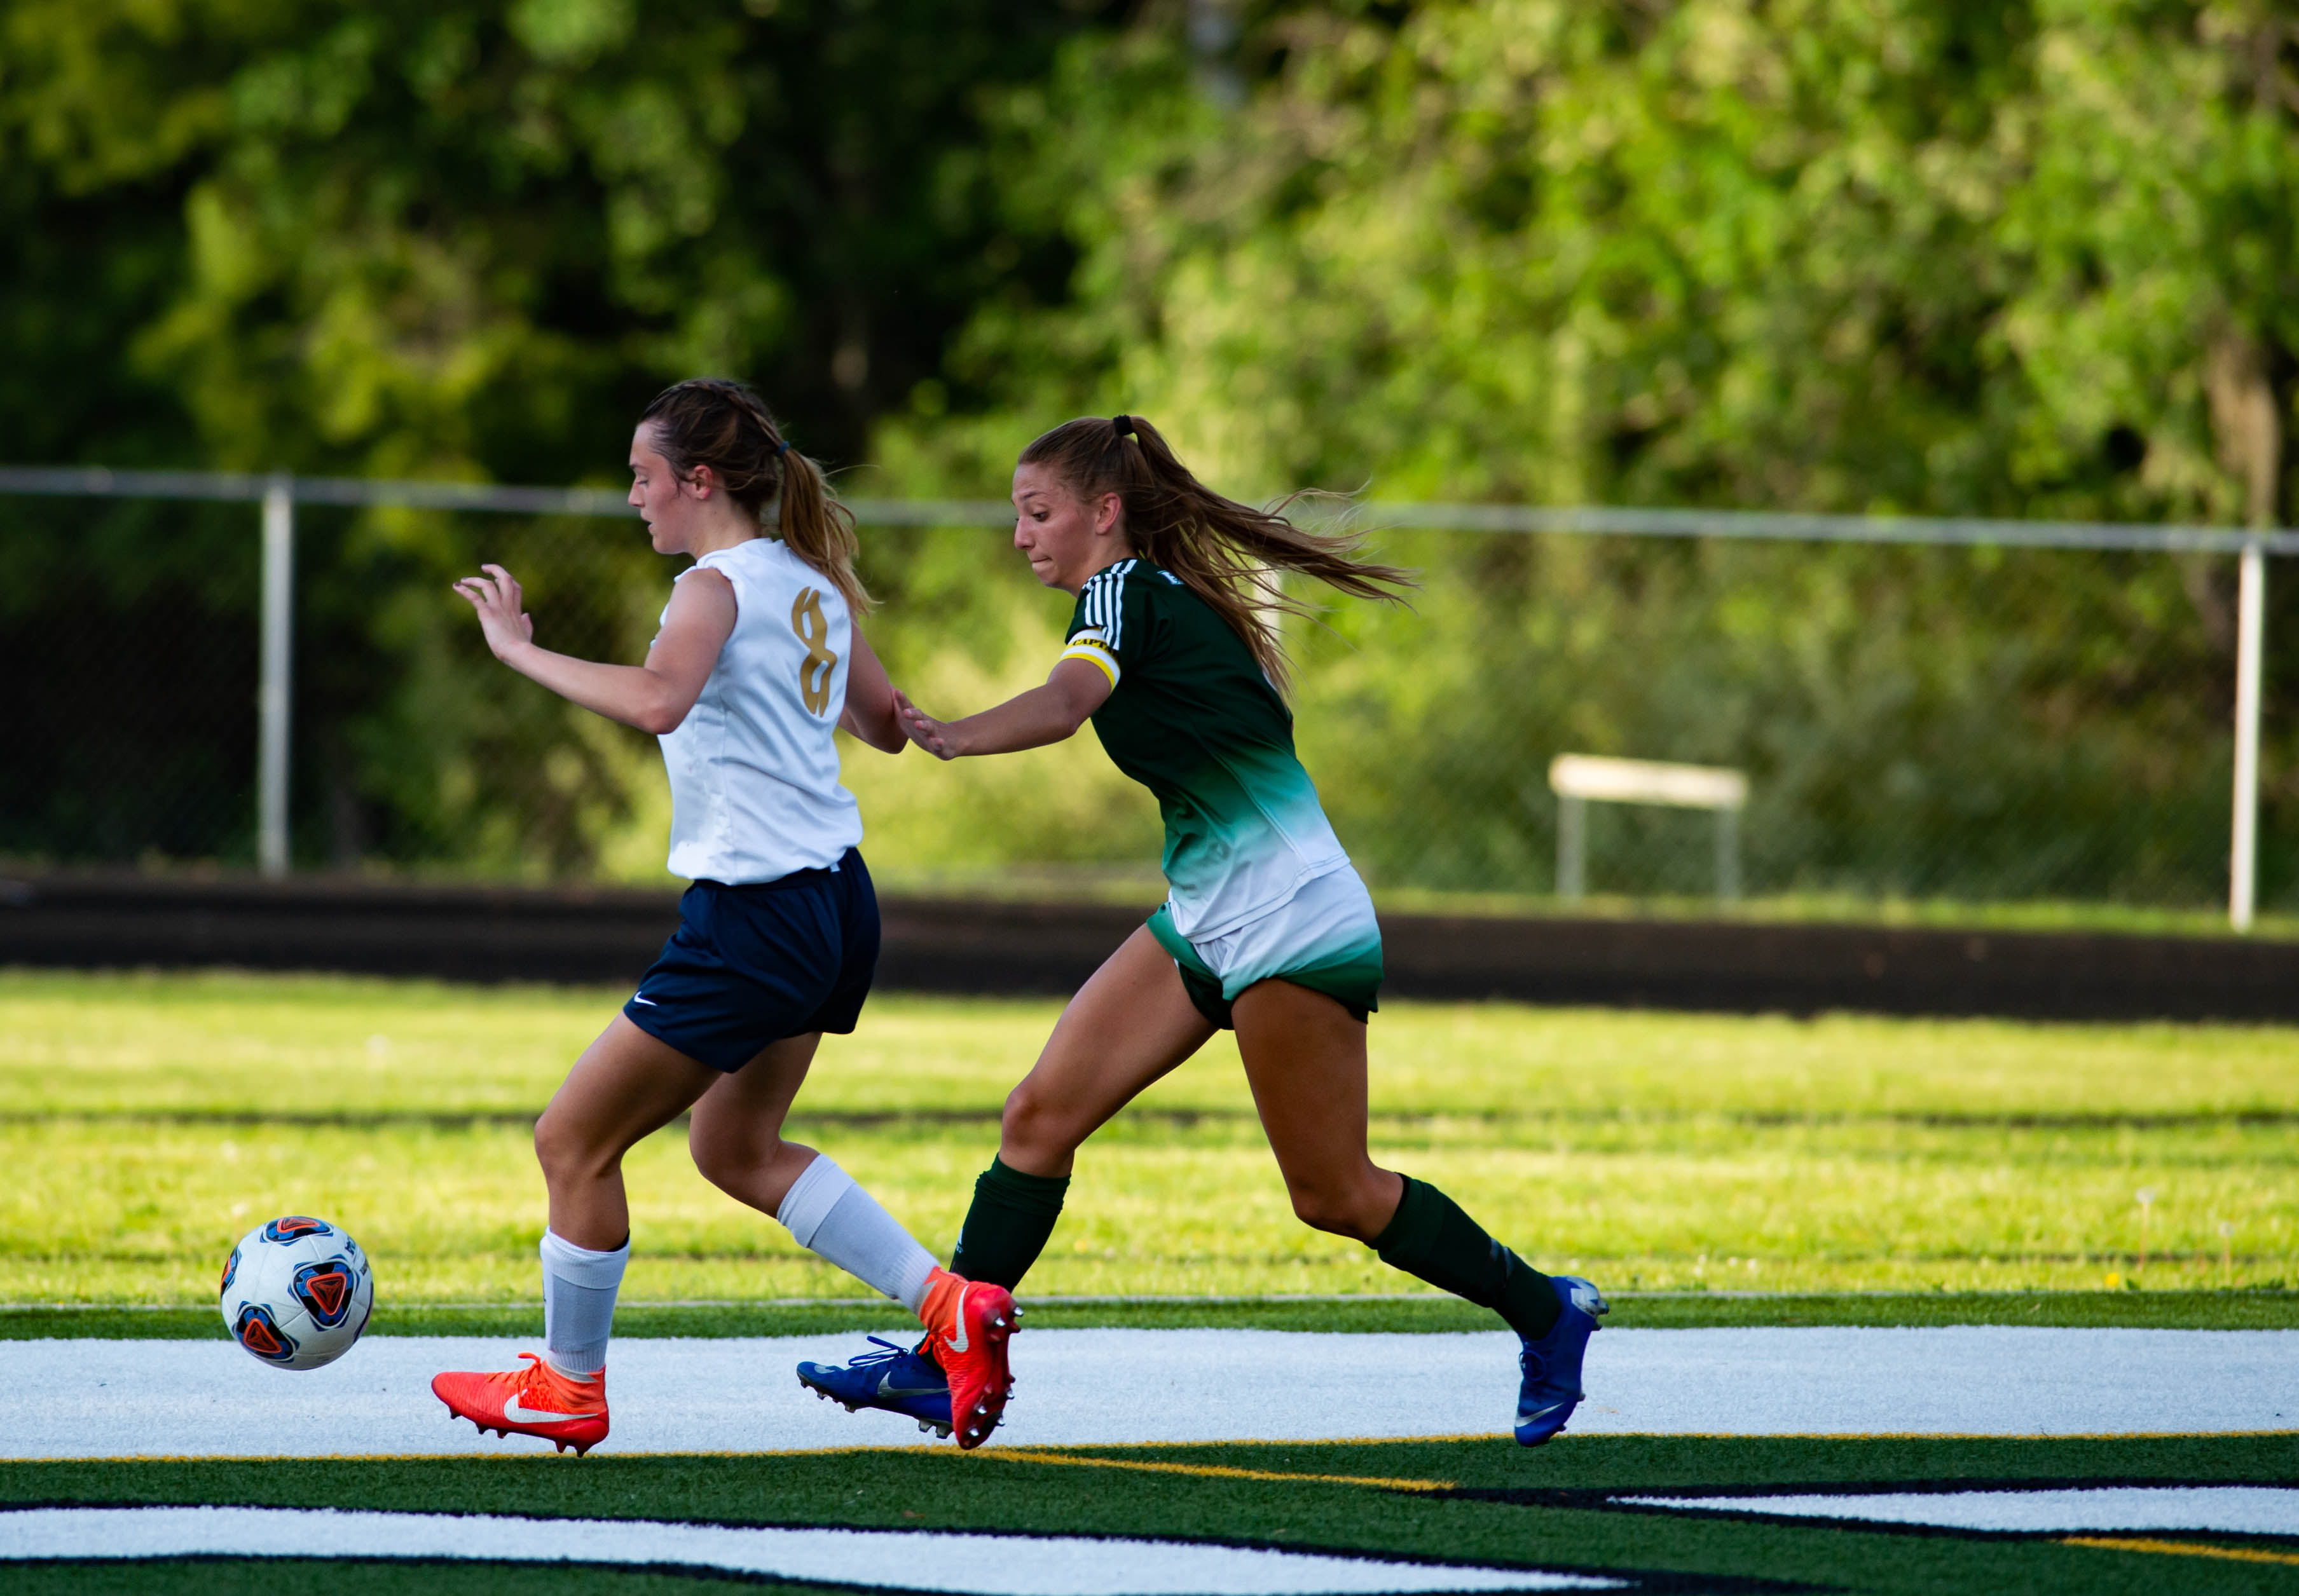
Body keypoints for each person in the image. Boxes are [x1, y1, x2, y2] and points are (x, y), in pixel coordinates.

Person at [804, 414, 1606, 1447]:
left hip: (1288, 917)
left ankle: (1547, 1311)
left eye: (1038, 512)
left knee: (1335, 1193)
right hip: (1211, 912)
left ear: (1105, 513)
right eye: (1018, 515)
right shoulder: (1150, 597)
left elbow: (1067, 701)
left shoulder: (1121, 591)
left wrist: (958, 737)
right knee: (1037, 1120)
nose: (1020, 535)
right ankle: (944, 1357)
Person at [429, 378, 1015, 1456]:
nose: (635, 498)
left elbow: (661, 700)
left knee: (573, 1141)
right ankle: (951, 1307)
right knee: (735, 1147)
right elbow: (886, 725)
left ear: (699, 481)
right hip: (837, 903)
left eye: (644, 477)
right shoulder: (812, 580)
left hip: (757, 916)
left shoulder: (711, 588)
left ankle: (568, 1387)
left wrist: (517, 651)